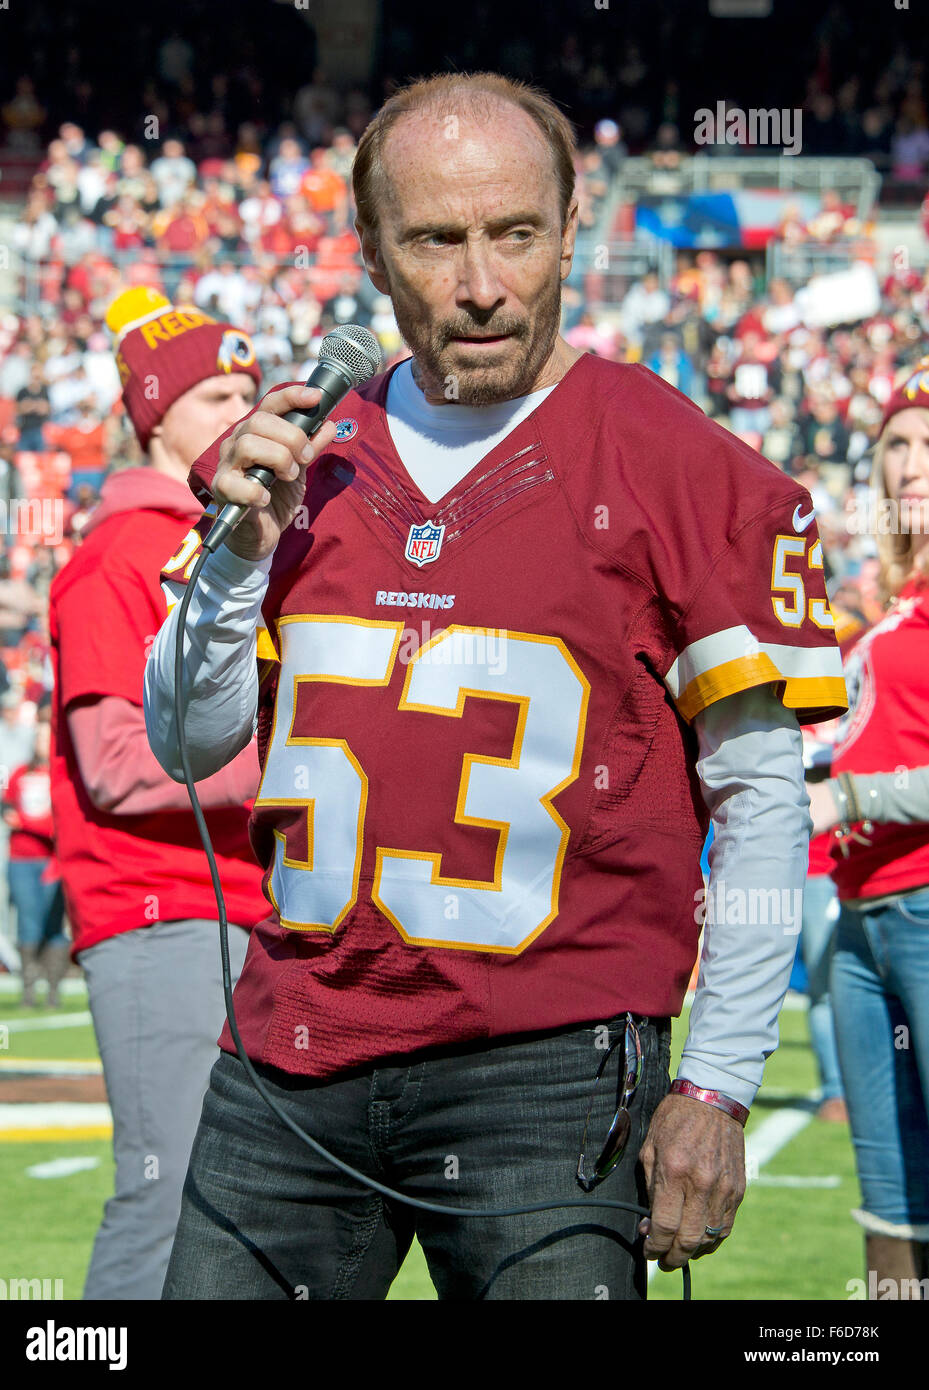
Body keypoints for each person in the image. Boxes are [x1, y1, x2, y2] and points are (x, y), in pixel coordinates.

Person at [145, 72, 846, 1302]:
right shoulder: (303, 451)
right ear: (370, 250)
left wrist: (719, 1083)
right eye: (435, 239)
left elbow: (759, 801)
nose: (480, 284)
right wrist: (237, 566)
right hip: (291, 1047)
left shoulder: (681, 465)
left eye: (514, 234)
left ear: (571, 225)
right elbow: (189, 747)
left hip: (548, 1069)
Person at [48, 286, 268, 1300]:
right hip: (157, 908)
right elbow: (114, 764)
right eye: (217, 392)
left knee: (249, 1205)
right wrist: (284, 772)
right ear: (153, 416)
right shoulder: (117, 554)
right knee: (167, 1190)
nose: (243, 410)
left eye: (249, 390)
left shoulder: (230, 541)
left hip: (242, 906)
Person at [809, 358, 929, 1298]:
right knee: (886, 1199)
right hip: (863, 915)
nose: (913, 462)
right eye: (897, 443)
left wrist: (846, 801)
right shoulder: (889, 609)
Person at [2, 720, 68, 1007]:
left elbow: (58, 825)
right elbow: (5, 806)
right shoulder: (20, 772)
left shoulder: (61, 774)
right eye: (38, 737)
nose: (42, 742)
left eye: (47, 737)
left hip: (52, 861)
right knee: (27, 924)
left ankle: (53, 991)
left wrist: (25, 823)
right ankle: (28, 991)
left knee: (52, 925)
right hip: (20, 860)